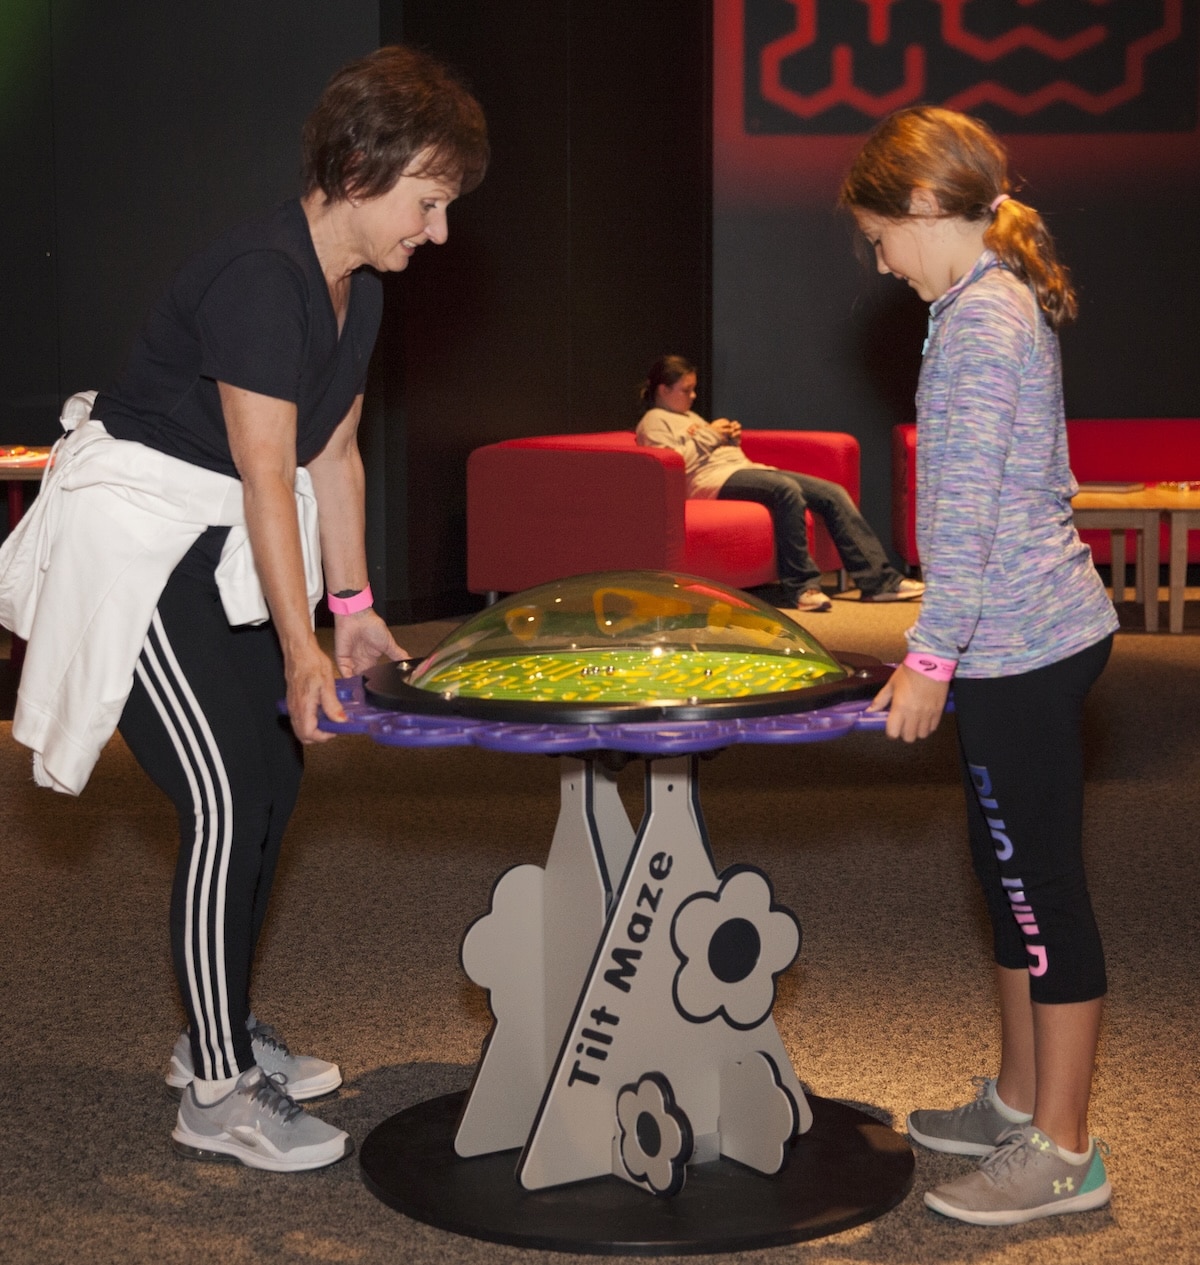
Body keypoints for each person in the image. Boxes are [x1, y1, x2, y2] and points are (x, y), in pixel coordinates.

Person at [0, 45, 487, 1172]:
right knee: (221, 794)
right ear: (362, 170)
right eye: (431, 201)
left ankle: (215, 1032)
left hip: (210, 540)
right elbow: (267, 471)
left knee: (271, 776)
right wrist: (299, 646)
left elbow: (333, 452)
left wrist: (355, 606)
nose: (440, 230)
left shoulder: (353, 290)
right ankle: (216, 1088)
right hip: (135, 548)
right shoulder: (262, 279)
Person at [840, 106, 1119, 1226]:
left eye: (878, 234)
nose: (878, 259)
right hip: (1015, 634)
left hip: (1019, 643)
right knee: (1006, 873)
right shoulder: (975, 303)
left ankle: (1064, 1147)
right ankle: (1018, 1098)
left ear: (920, 209)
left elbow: (966, 510)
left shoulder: (983, 320)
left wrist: (929, 654)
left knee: (1041, 886)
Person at [636, 356, 923, 611]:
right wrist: (711, 435)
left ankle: (879, 581)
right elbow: (673, 464)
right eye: (686, 390)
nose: (693, 395)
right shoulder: (654, 421)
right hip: (708, 483)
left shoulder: (689, 417)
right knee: (786, 490)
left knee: (831, 492)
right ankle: (802, 587)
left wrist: (727, 438)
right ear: (663, 390)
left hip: (739, 470)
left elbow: (705, 447)